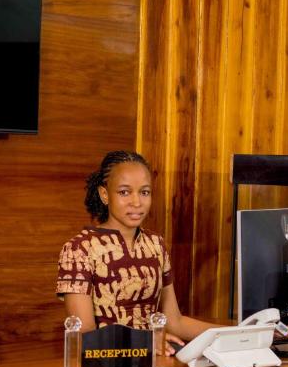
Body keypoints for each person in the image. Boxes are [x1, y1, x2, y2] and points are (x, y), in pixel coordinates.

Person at [56, 150, 220, 352]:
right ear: (104, 194)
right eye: (124, 192)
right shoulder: (79, 249)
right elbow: (83, 333)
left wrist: (235, 334)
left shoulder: (156, 244)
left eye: (144, 192)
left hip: (157, 363)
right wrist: (144, 342)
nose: (137, 202)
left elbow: (174, 322)